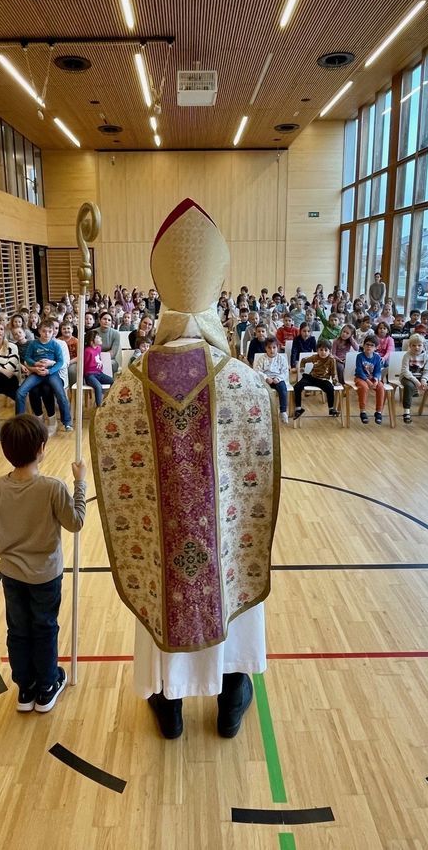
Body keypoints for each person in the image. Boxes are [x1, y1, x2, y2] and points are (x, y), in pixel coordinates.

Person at [91, 199, 276, 741]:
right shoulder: (244, 380)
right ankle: (231, 700)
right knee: (229, 594)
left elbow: (111, 440)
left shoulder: (130, 381)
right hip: (221, 542)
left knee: (164, 596)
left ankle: (168, 706)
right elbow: (257, 463)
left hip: (164, 542)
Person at [0, 414, 87, 713]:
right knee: (44, 628)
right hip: (45, 576)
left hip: (12, 575)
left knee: (18, 630)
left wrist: (3, 552)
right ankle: (48, 685)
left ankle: (25, 688)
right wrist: (80, 483)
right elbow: (76, 522)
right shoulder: (52, 488)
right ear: (41, 448)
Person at [16, 320, 72, 432]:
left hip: (51, 373)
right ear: (39, 331)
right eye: (44, 331)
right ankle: (19, 422)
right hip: (37, 373)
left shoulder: (56, 345)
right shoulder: (33, 344)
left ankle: (67, 422)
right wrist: (35, 364)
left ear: (53, 332)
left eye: (49, 331)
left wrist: (49, 371)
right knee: (20, 392)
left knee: (61, 394)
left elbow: (61, 362)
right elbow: (27, 358)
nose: (47, 334)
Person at [293, 340, 339, 419]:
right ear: (317, 350)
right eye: (321, 350)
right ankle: (298, 409)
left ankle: (331, 409)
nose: (323, 352)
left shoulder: (332, 360)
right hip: (312, 378)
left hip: (323, 380)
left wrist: (335, 381)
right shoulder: (315, 357)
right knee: (297, 387)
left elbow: (334, 372)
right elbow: (304, 360)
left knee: (330, 388)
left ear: (329, 351)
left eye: (326, 350)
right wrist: (302, 368)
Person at [253, 336, 290, 423]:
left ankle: (283, 411)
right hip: (266, 379)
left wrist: (278, 378)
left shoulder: (281, 359)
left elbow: (285, 372)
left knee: (283, 390)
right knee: (260, 391)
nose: (272, 350)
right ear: (265, 348)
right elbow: (257, 371)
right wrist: (266, 378)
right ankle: (261, 411)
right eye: (269, 348)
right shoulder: (262, 359)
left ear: (278, 348)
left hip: (278, 379)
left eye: (274, 347)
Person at [398, 334, 428, 425]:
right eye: (414, 345)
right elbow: (405, 371)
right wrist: (416, 382)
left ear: (423, 346)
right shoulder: (407, 355)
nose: (417, 347)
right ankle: (406, 412)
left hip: (421, 377)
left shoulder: (426, 356)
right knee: (409, 386)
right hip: (407, 377)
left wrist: (423, 380)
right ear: (410, 346)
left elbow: (427, 371)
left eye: (419, 345)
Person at [353, 335, 387, 425]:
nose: (369, 347)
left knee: (381, 387)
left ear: (376, 348)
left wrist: (376, 380)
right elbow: (359, 371)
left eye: (372, 345)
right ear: (363, 345)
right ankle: (362, 411)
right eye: (367, 344)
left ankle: (378, 412)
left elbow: (378, 371)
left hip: (372, 378)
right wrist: (367, 381)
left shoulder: (377, 357)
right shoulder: (360, 356)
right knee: (364, 387)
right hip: (361, 378)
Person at [81, 328, 113, 406]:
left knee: (113, 381)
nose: (100, 338)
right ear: (92, 342)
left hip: (99, 373)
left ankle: (107, 400)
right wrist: (84, 378)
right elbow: (84, 365)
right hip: (90, 375)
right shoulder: (87, 351)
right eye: (98, 337)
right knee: (98, 386)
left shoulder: (99, 348)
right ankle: (99, 407)